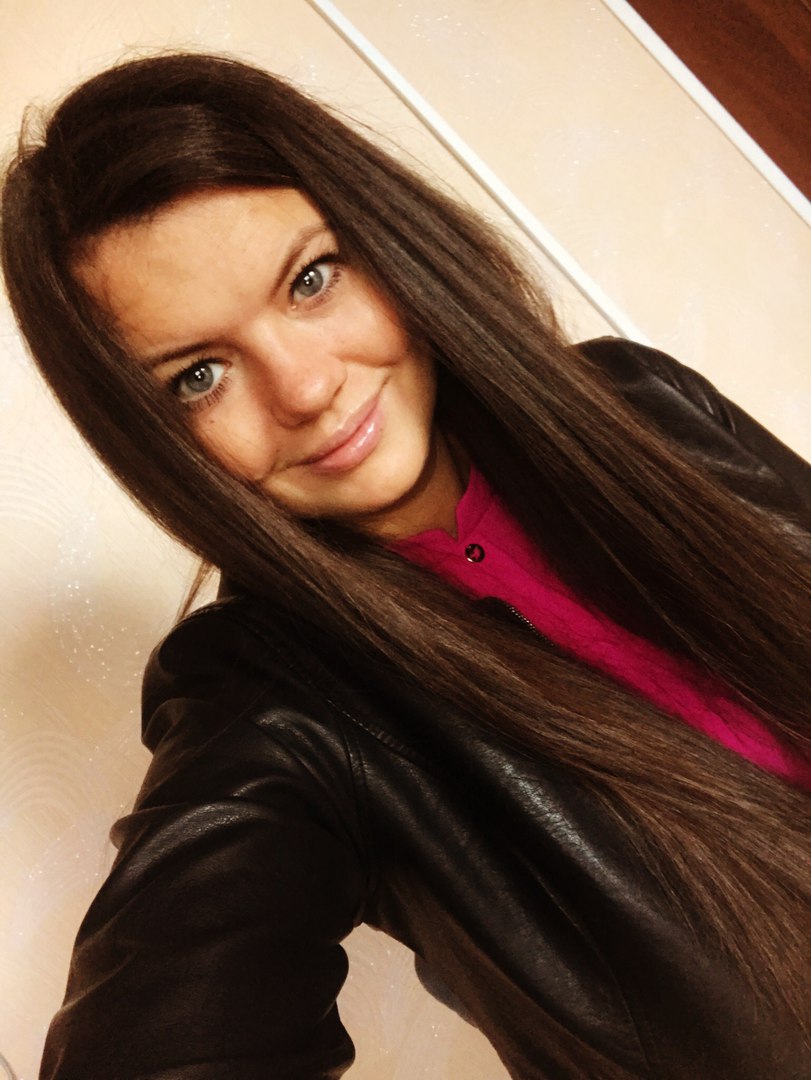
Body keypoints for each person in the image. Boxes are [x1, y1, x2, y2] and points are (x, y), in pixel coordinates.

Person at [1, 51, 809, 1080]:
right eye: (199, 375)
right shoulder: (269, 703)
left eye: (310, 279)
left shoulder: (639, 405)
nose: (304, 388)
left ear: (385, 236)